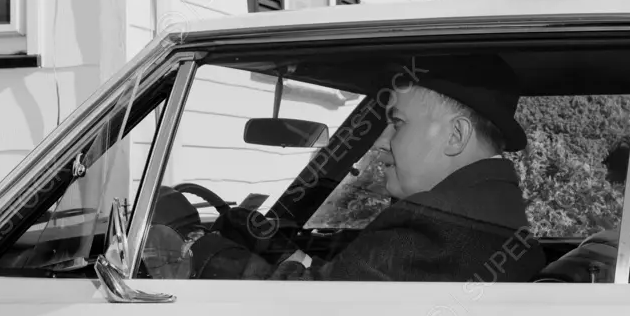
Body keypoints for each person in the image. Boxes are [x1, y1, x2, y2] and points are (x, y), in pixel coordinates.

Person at [192, 53, 546, 282]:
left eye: (399, 123)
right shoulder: (492, 227)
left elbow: (303, 309)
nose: (379, 141)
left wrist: (197, 253)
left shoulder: (428, 236)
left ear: (455, 135)